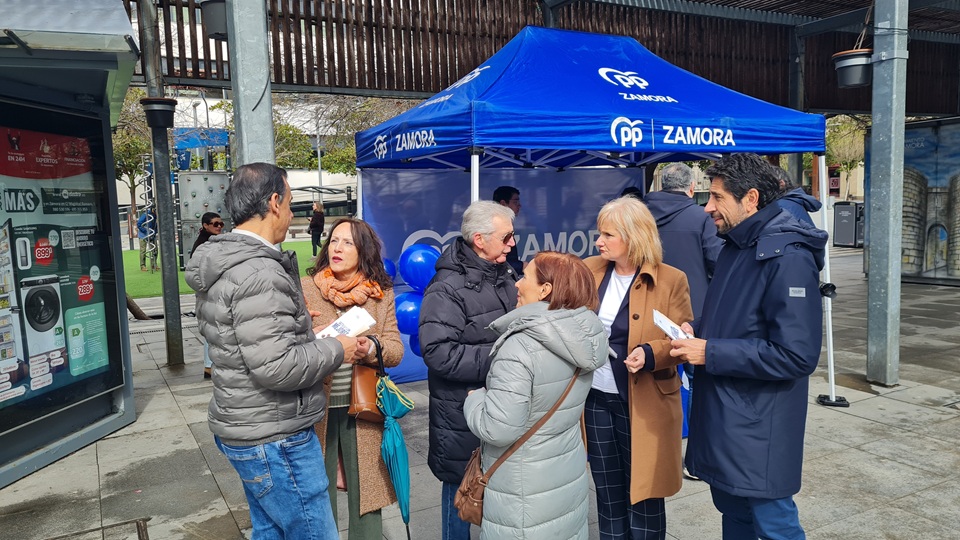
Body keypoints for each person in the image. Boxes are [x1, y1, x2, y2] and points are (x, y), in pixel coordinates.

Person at [185, 162, 367, 540]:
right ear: (273, 202)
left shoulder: (229, 261)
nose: (289, 210)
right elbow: (277, 367)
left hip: (250, 425)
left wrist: (297, 326)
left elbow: (239, 337)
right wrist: (338, 348)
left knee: (270, 531)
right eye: (289, 200)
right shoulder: (259, 271)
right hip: (276, 437)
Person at [670, 153, 828, 539]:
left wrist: (709, 352)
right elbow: (739, 317)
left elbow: (796, 355)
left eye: (717, 197)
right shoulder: (737, 246)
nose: (707, 207)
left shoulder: (788, 257)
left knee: (774, 524)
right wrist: (697, 328)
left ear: (751, 199)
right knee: (734, 512)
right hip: (728, 415)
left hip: (759, 424)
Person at [464, 251, 608, 539]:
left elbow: (497, 428)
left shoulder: (519, 347)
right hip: (565, 474)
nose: (517, 283)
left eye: (525, 277)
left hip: (522, 489)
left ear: (545, 290)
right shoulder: (585, 336)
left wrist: (475, 399)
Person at [583, 196, 694, 540]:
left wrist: (650, 352)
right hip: (595, 400)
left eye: (607, 235)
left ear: (633, 237)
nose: (598, 242)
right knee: (607, 492)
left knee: (644, 494)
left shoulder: (672, 279)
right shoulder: (589, 270)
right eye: (599, 233)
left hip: (644, 404)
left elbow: (682, 341)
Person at [418, 200, 519, 540]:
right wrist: (503, 357)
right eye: (506, 237)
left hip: (499, 404)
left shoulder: (504, 273)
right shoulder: (446, 288)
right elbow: (438, 352)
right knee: (460, 495)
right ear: (479, 239)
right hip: (460, 413)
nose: (512, 243)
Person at [301, 217, 404, 539]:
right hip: (316, 406)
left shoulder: (380, 294)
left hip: (363, 406)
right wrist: (312, 337)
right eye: (334, 240)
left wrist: (370, 346)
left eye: (347, 242)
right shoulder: (305, 288)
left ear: (364, 251)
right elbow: (287, 344)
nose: (338, 248)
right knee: (318, 493)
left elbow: (395, 349)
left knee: (367, 493)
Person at [645, 163, 723, 480]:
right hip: (692, 314)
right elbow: (717, 262)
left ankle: (652, 453)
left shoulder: (641, 215)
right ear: (691, 188)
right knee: (696, 382)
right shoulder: (701, 217)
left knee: (651, 379)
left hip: (647, 310)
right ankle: (693, 460)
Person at [189, 211, 225, 380]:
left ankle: (209, 365)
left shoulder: (208, 242)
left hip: (209, 292)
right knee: (211, 328)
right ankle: (209, 365)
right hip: (209, 292)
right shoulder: (204, 245)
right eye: (215, 224)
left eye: (221, 224)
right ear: (205, 225)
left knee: (212, 328)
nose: (219, 227)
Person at [492, 186, 523, 275]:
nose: (519, 205)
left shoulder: (508, 223)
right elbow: (497, 263)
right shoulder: (493, 228)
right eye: (515, 202)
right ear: (503, 204)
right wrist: (521, 266)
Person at [137, 207, 158, 271]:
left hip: (152, 234)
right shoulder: (146, 214)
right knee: (143, 250)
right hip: (143, 235)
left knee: (155, 249)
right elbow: (139, 224)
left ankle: (154, 264)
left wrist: (155, 232)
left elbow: (155, 225)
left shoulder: (155, 215)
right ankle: (142, 266)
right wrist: (145, 231)